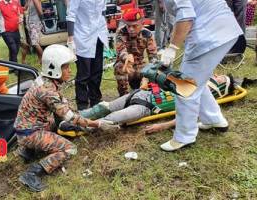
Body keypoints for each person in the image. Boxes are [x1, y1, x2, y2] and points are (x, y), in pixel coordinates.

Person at [14, 44, 118, 192]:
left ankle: (28, 151)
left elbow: (61, 108)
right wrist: (98, 124)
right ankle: (32, 173)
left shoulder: (45, 80)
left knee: (57, 123)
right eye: (65, 67)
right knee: (69, 149)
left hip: (28, 126)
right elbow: (70, 116)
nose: (69, 70)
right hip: (30, 132)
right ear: (54, 68)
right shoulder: (47, 91)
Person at [158, 0, 242, 151]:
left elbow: (185, 17)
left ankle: (184, 136)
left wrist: (172, 48)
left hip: (209, 35)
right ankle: (213, 119)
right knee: (197, 81)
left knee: (184, 86)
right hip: (223, 30)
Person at [80, 75, 235, 125]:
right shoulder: (189, 80)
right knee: (102, 107)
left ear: (221, 87)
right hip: (142, 94)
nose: (215, 75)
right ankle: (72, 117)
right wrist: (146, 81)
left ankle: (80, 126)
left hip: (147, 107)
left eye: (219, 78)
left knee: (110, 120)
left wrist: (162, 126)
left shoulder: (203, 101)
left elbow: (189, 118)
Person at [66, 0, 108, 110]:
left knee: (97, 71)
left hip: (99, 34)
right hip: (82, 36)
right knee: (84, 73)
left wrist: (104, 28)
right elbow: (71, 15)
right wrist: (71, 39)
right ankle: (82, 104)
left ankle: (95, 99)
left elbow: (103, 11)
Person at [114, 8, 158, 96]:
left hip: (140, 65)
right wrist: (127, 57)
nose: (131, 29)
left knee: (154, 70)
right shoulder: (121, 32)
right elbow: (120, 50)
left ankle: (153, 95)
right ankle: (124, 97)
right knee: (119, 66)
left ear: (142, 24)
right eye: (128, 26)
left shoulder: (147, 34)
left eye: (135, 26)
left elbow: (153, 56)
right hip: (127, 65)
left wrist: (153, 70)